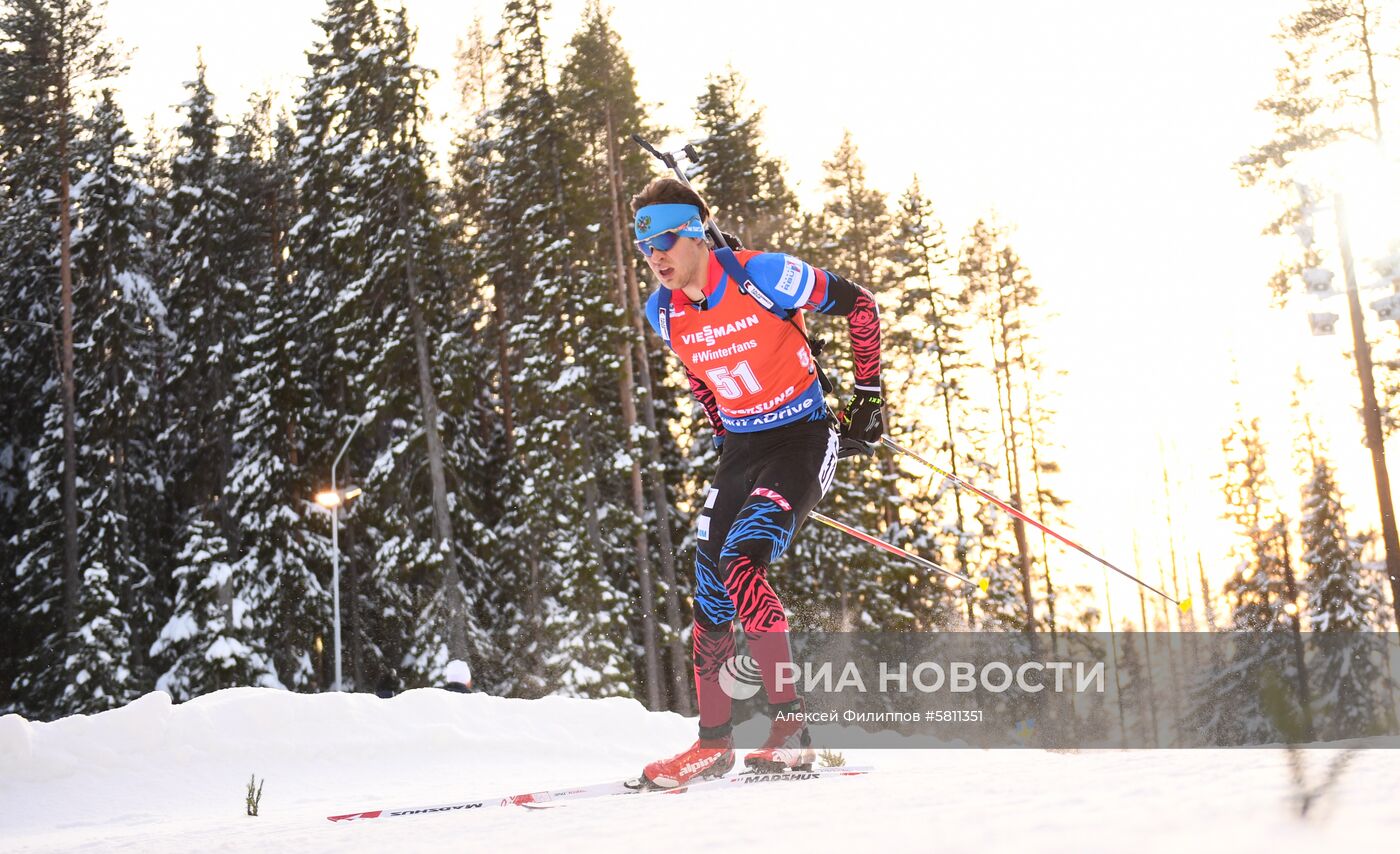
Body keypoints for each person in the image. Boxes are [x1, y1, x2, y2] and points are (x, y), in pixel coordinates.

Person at [631, 177, 885, 788]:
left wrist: (868, 397)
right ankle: (712, 744)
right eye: (645, 247)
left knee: (742, 562)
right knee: (710, 583)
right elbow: (700, 374)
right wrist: (722, 427)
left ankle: (790, 729)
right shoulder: (661, 310)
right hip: (743, 446)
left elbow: (862, 304)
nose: (656, 256)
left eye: (665, 238)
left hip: (802, 435)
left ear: (694, 230)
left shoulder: (764, 274)